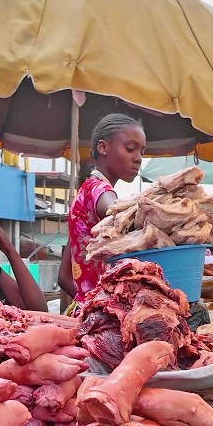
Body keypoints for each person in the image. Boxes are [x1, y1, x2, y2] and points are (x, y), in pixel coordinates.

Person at [59, 114, 146, 307]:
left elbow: (64, 277)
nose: (138, 158)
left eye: (141, 151)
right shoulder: (98, 190)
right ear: (103, 147)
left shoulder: (85, 193)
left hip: (91, 315)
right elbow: (121, 216)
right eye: (130, 149)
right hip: (104, 322)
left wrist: (89, 304)